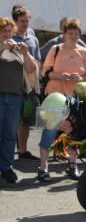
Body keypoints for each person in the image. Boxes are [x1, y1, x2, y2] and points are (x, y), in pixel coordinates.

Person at [38, 18, 86, 182]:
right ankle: (43, 167)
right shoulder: (55, 49)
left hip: (74, 99)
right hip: (55, 98)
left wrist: (81, 78)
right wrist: (59, 76)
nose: (72, 36)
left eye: (76, 33)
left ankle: (73, 165)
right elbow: (45, 72)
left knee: (73, 133)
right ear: (63, 35)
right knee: (49, 131)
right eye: (69, 33)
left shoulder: (84, 52)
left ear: (79, 35)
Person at [0, 17, 36, 182]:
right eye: (4, 31)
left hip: (15, 97)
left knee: (9, 135)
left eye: (9, 31)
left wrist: (26, 53)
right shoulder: (3, 47)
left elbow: (30, 69)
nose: (7, 34)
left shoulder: (16, 48)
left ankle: (7, 168)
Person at [12, 6, 42, 161]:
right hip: (12, 86)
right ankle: (8, 152)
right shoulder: (8, 38)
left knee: (26, 121)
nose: (25, 24)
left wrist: (38, 81)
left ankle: (23, 151)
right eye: (22, 21)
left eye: (27, 21)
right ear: (15, 21)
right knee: (9, 120)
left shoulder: (33, 39)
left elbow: (37, 61)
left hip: (30, 87)